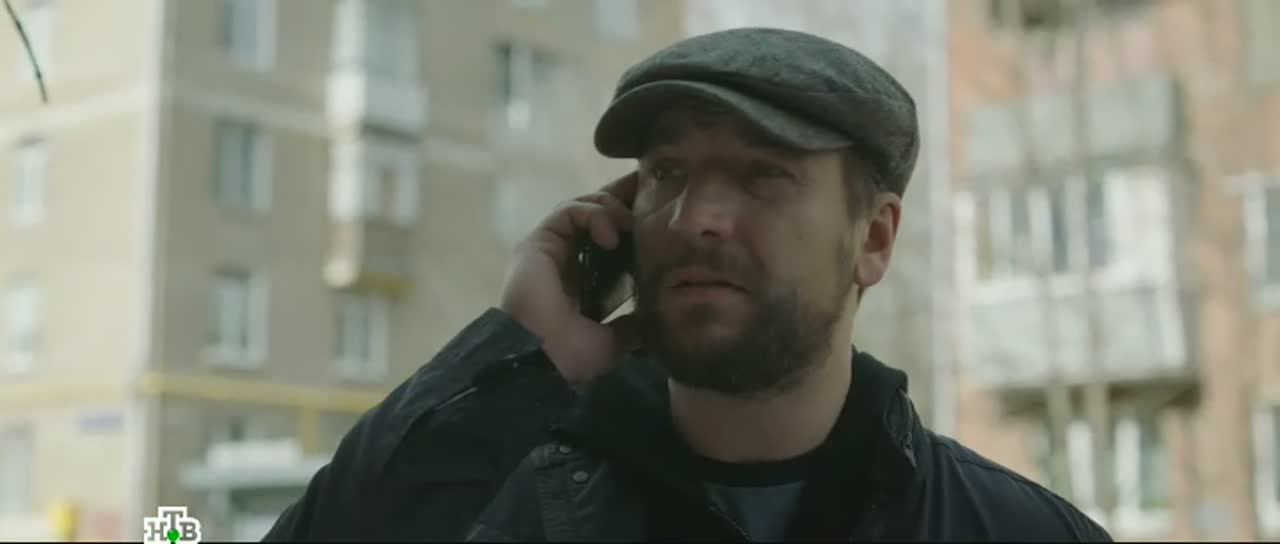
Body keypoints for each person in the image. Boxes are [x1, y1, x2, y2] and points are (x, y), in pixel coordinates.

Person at [263, 27, 1111, 542]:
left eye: (763, 174)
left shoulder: (1011, 530)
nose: (696, 215)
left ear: (875, 239)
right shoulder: (500, 511)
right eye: (667, 172)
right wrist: (517, 367)